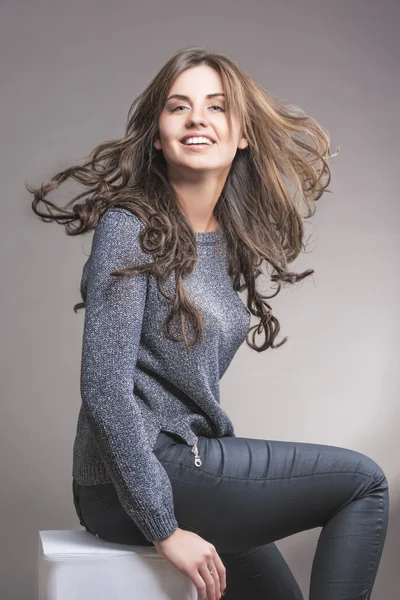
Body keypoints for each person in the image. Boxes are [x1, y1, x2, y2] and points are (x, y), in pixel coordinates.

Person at [27, 45, 389, 600]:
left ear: (242, 133)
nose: (198, 118)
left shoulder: (221, 240)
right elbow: (104, 391)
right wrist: (164, 528)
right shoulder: (131, 226)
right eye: (179, 107)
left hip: (182, 464)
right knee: (364, 483)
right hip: (138, 476)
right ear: (157, 133)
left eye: (217, 107)